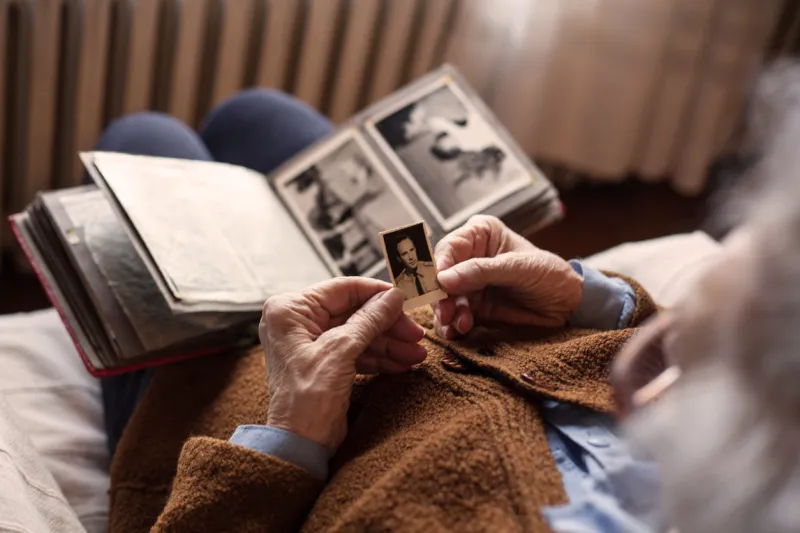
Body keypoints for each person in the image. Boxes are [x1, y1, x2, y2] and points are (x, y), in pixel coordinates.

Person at [97, 80, 798, 533]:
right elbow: (660, 344)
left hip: (226, 402)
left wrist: (292, 434)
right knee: (255, 116)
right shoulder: (734, 407)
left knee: (145, 141)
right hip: (410, 303)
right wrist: (587, 296)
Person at [392, 232, 439, 299]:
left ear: (415, 249)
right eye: (405, 254)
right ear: (399, 259)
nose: (411, 257)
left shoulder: (433, 268)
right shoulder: (399, 286)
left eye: (412, 250)